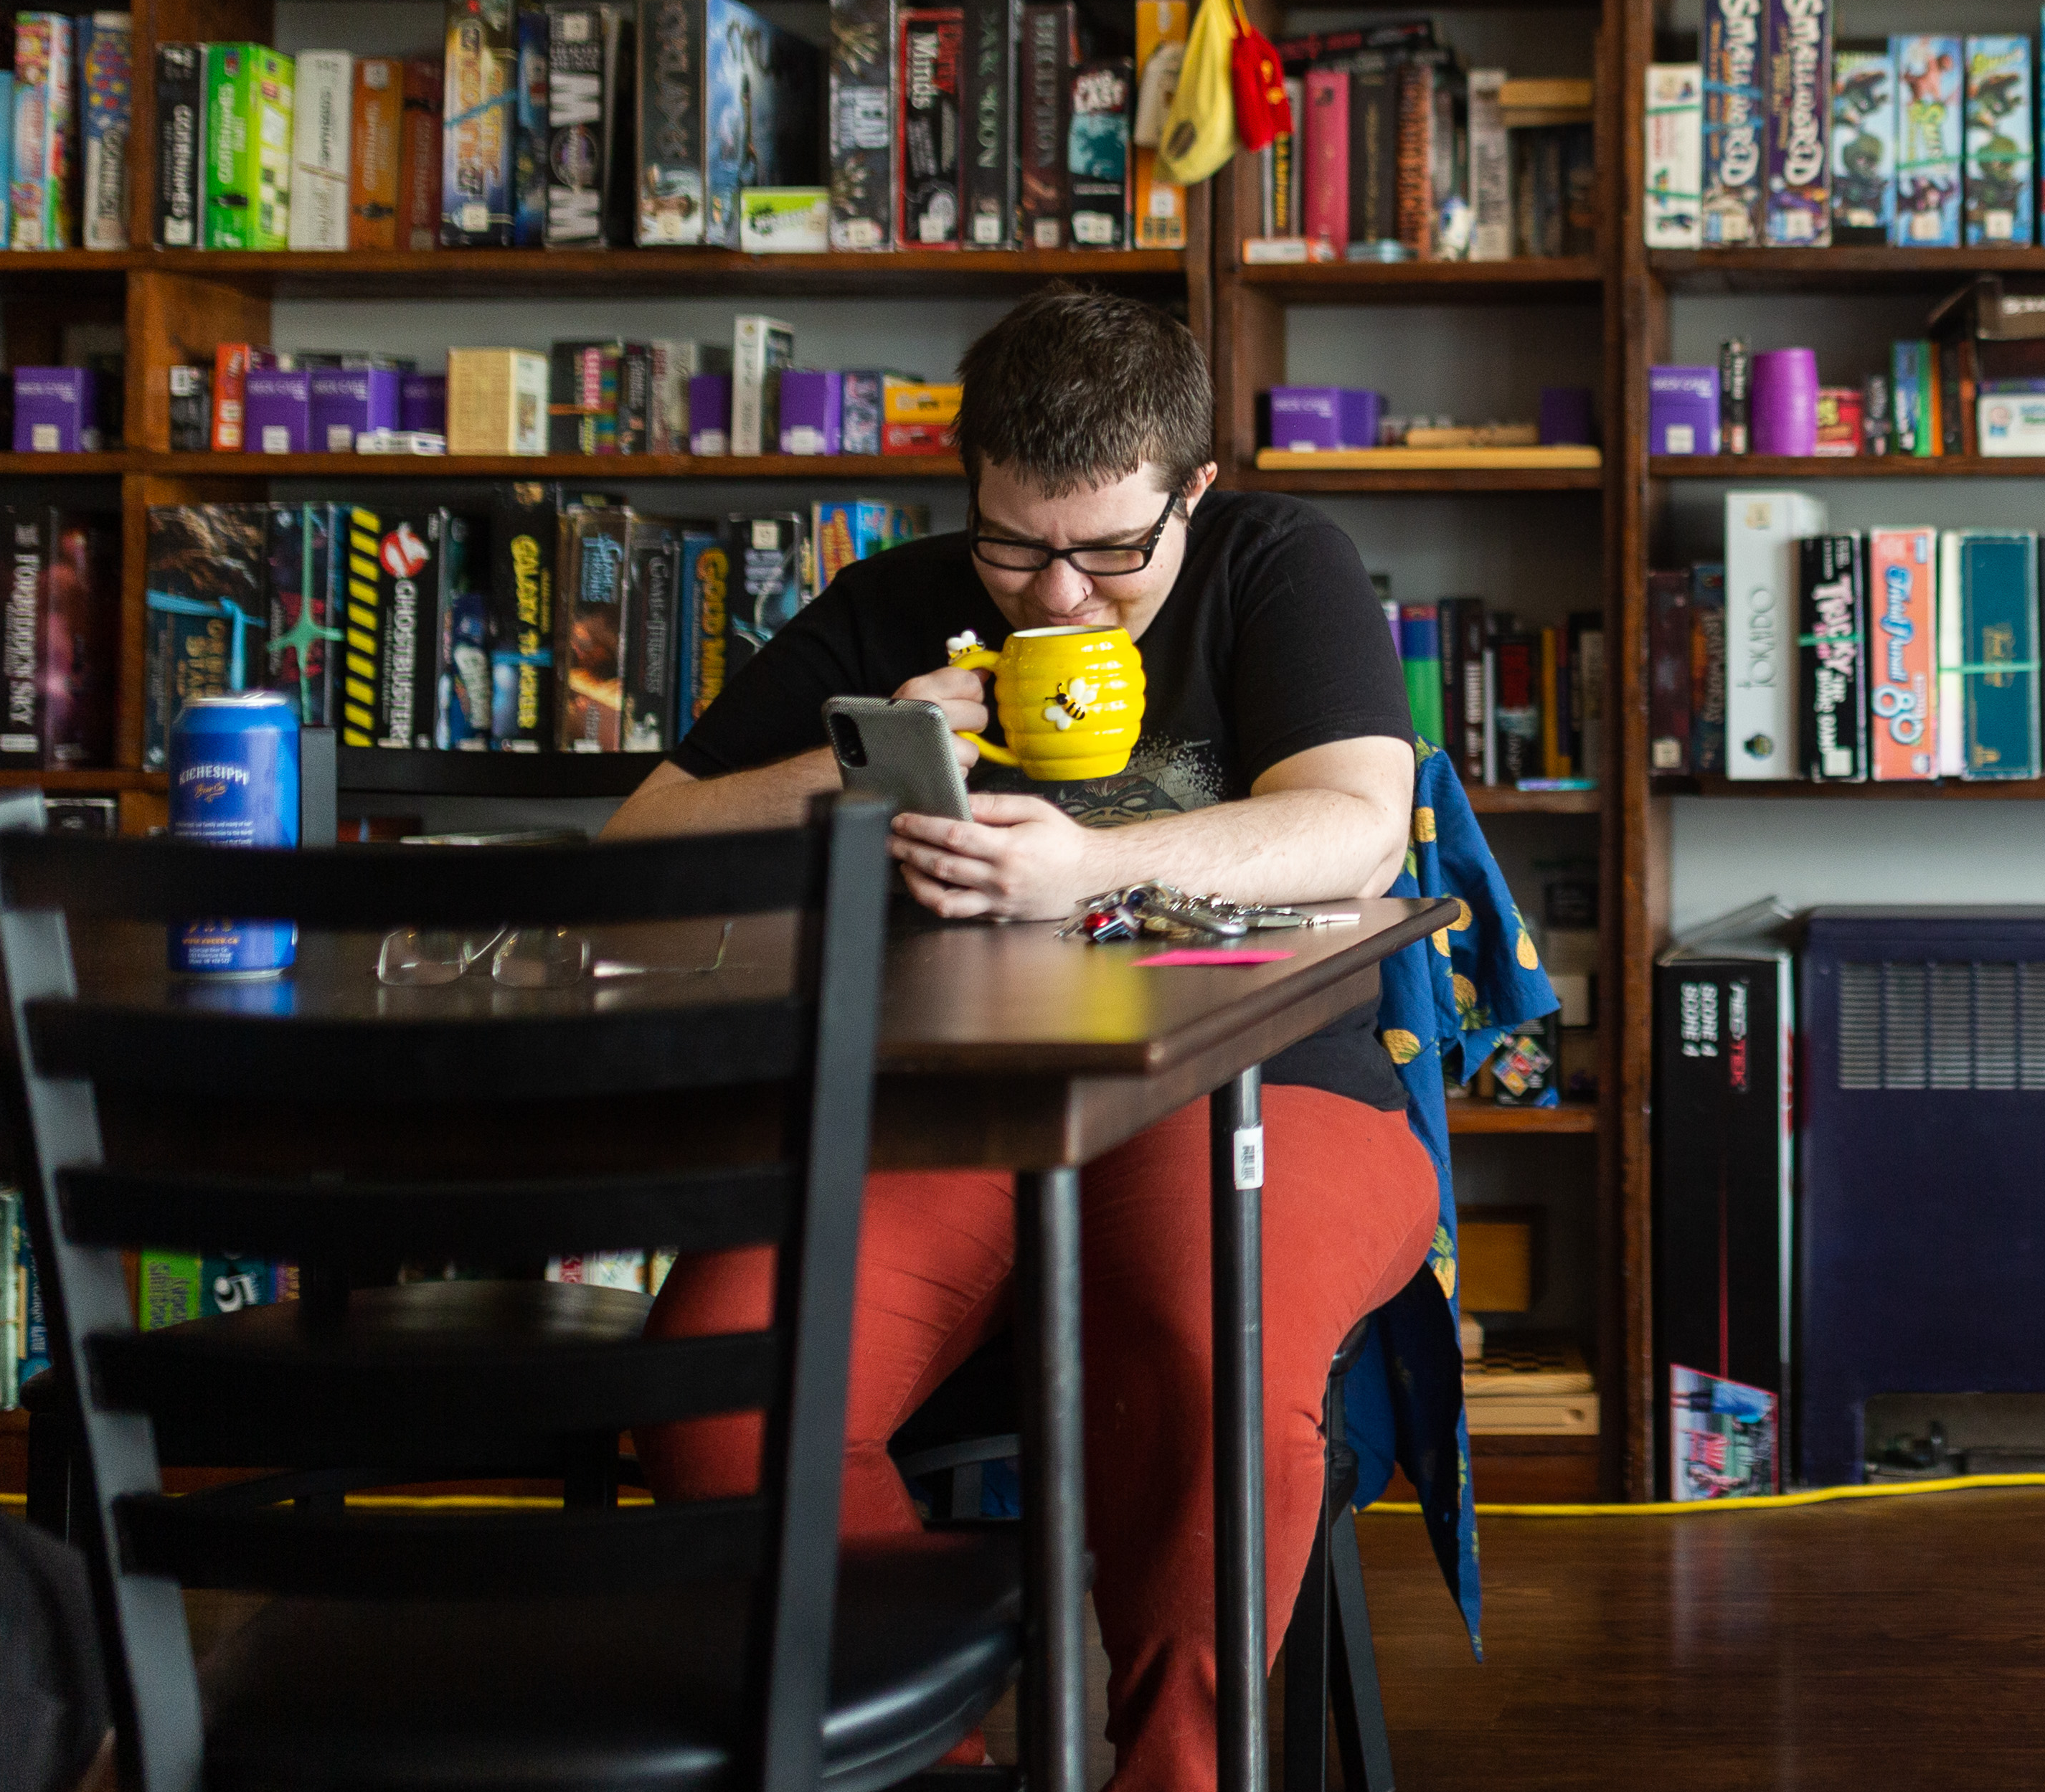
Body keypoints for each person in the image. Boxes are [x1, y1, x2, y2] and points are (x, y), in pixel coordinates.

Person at [608, 286, 1432, 1792]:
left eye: (1111, 550)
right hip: (959, 1113)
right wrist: (853, 759)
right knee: (727, 1378)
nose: (1058, 595)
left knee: (1204, 1354)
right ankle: (919, 1756)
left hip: (1258, 1086)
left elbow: (1356, 827)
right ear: (968, 486)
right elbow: (645, 845)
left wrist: (1096, 864)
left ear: (1193, 488)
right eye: (1014, 543)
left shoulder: (1276, 566)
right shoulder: (898, 601)